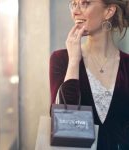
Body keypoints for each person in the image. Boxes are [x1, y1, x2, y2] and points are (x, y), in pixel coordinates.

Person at [49, 0, 129, 150]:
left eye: (85, 3)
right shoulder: (61, 59)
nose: (75, 11)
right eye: (73, 4)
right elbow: (64, 121)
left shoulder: (127, 64)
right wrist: (73, 61)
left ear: (108, 12)